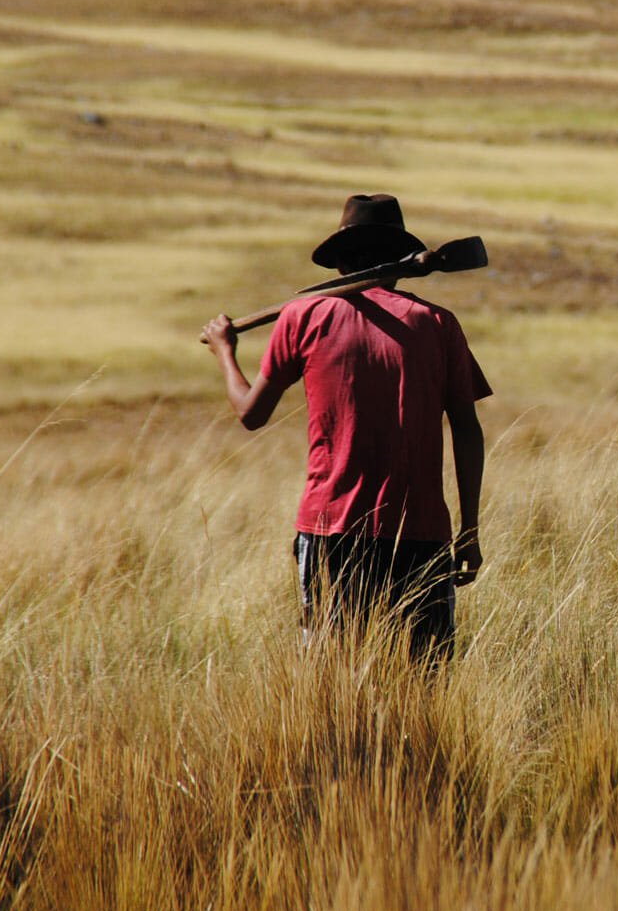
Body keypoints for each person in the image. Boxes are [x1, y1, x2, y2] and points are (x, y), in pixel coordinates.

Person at [200, 193, 491, 662]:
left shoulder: (304, 316)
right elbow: (468, 430)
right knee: (423, 679)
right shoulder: (439, 324)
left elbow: (250, 414)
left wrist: (225, 351)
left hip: (330, 529)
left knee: (332, 676)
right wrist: (470, 530)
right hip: (421, 533)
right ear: (400, 261)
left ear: (340, 265)